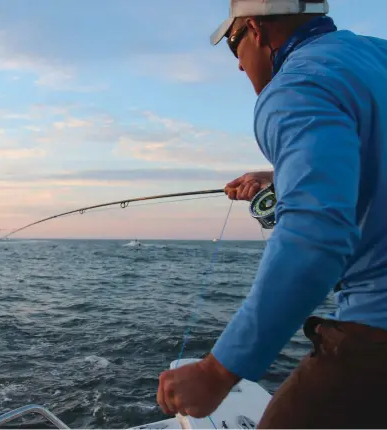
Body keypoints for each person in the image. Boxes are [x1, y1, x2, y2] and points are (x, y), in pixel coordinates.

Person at [156, 0, 387, 427]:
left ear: (257, 30)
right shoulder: (376, 55)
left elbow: (316, 236)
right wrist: (283, 175)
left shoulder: (295, 86)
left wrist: (217, 370)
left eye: (233, 43)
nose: (240, 67)